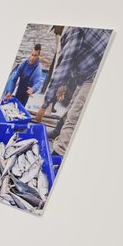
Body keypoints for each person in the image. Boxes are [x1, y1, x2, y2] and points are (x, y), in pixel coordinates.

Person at [38, 25, 113, 157]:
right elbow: (70, 62)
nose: (55, 31)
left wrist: (44, 106)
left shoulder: (72, 30)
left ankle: (58, 154)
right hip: (85, 73)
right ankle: (58, 131)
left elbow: (65, 63)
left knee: (74, 114)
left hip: (96, 73)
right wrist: (63, 85)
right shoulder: (73, 30)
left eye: (55, 28)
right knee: (72, 105)